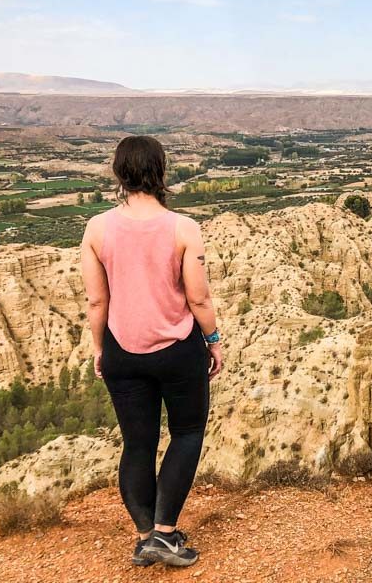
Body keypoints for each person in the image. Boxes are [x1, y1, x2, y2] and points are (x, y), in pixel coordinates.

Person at [80, 135, 223, 568]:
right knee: (187, 432)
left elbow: (96, 302)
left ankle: (145, 538)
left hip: (124, 349)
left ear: (119, 174)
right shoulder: (183, 228)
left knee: (136, 445)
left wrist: (101, 348)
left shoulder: (97, 228)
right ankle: (164, 533)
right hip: (178, 350)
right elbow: (198, 298)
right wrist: (213, 342)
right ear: (161, 172)